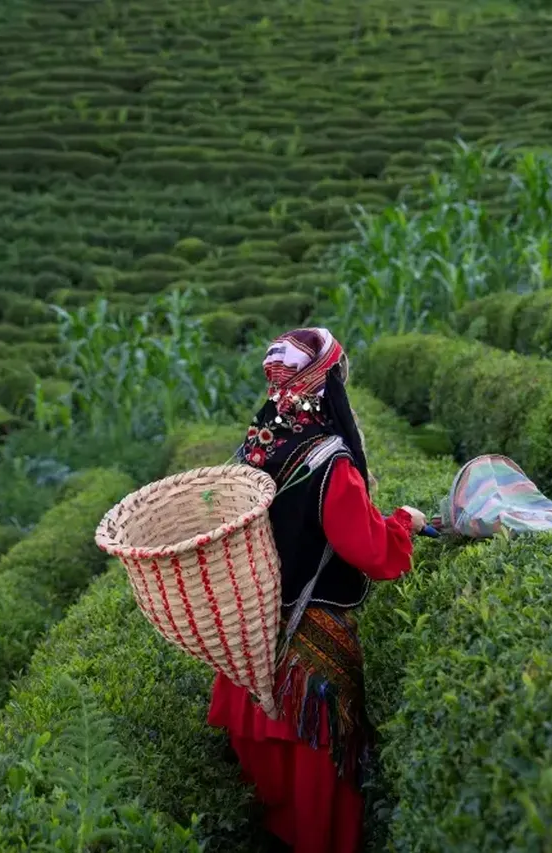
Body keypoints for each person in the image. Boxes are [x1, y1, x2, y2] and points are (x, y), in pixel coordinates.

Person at [208, 327, 426, 853]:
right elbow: (370, 551)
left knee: (270, 803)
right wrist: (405, 523)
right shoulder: (328, 460)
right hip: (305, 663)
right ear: (327, 382)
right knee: (315, 802)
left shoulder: (253, 448)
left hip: (253, 643)